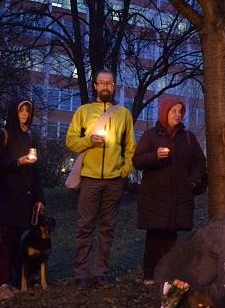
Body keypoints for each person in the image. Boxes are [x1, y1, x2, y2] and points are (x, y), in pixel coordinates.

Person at [66, 69, 136, 288]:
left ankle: (100, 273)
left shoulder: (123, 114)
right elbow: (70, 141)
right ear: (95, 85)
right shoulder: (83, 111)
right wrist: (88, 139)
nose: (106, 87)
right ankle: (80, 273)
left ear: (114, 86)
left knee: (107, 228)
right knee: (85, 226)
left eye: (110, 83)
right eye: (102, 83)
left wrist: (124, 171)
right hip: (90, 178)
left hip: (114, 180)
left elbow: (130, 147)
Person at [133, 98, 207, 284]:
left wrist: (193, 181)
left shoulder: (187, 137)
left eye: (180, 111)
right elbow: (137, 160)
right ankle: (150, 273)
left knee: (171, 234)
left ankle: (167, 273)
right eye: (173, 110)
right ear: (165, 112)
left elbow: (199, 162)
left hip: (179, 194)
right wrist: (154, 156)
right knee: (155, 234)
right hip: (155, 194)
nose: (177, 114)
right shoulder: (151, 135)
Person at [0, 98, 44, 301]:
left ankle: (14, 279)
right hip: (8, 196)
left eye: (28, 111)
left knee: (17, 240)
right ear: (14, 112)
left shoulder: (29, 137)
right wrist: (18, 162)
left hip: (26, 199)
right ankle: (2, 282)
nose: (25, 115)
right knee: (7, 240)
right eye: (22, 111)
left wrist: (39, 198)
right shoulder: (3, 135)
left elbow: (36, 171)